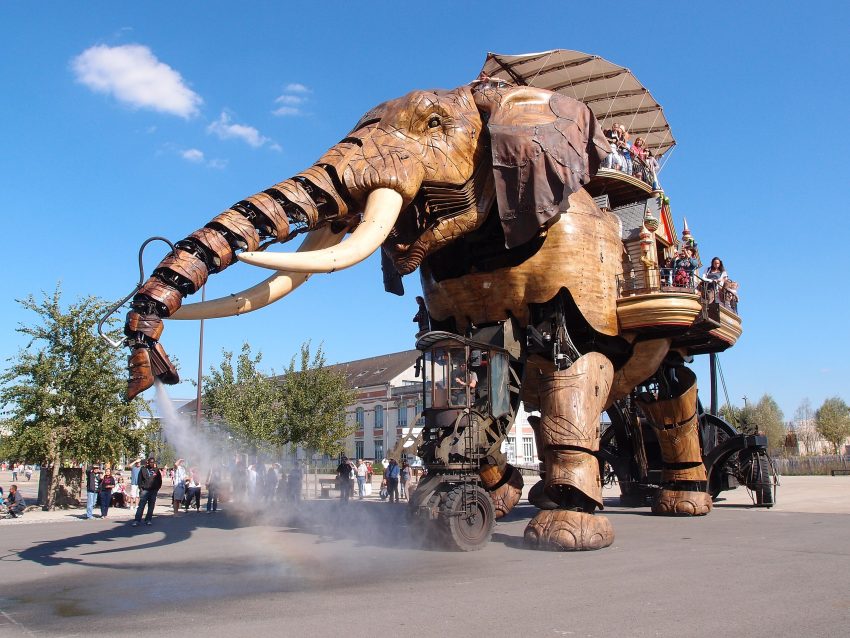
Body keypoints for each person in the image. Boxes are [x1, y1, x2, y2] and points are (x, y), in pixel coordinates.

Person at [133, 457, 163, 526]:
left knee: (151, 506)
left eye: (153, 462)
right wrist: (141, 488)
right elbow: (139, 480)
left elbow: (160, 480)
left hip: (153, 491)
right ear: (148, 462)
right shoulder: (143, 469)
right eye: (150, 462)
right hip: (145, 490)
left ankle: (148, 520)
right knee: (141, 506)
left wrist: (157, 489)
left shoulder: (156, 470)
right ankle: (137, 520)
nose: (152, 463)